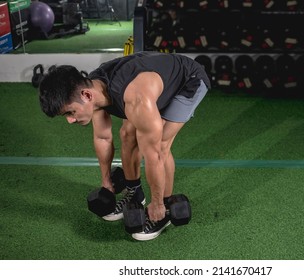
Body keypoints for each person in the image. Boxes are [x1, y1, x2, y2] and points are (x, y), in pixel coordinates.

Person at [38, 51, 211, 241]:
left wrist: (157, 203)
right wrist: (106, 181)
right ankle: (134, 192)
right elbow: (103, 137)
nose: (70, 120)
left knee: (160, 145)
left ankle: (165, 207)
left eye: (70, 112)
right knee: (127, 134)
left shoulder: (135, 98)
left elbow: (155, 156)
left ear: (86, 95)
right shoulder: (94, 89)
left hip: (187, 81)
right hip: (151, 82)